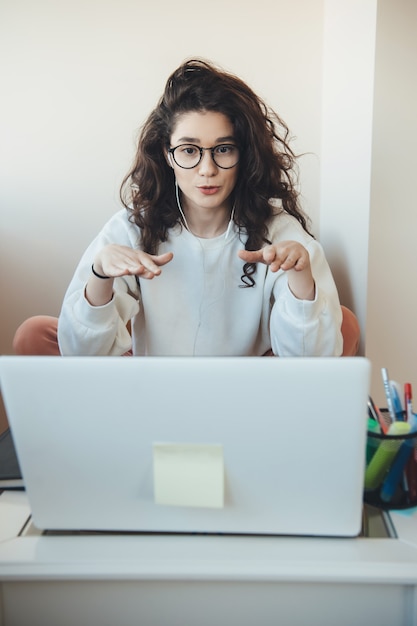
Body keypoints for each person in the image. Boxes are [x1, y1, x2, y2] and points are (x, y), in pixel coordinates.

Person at [13, 58, 344, 358]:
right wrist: (100, 276)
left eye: (224, 149)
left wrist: (302, 281)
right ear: (167, 153)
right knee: (34, 333)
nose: (207, 169)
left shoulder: (282, 234)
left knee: (348, 323)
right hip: (152, 396)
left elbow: (315, 361)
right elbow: (81, 354)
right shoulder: (131, 229)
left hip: (245, 398)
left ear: (245, 154)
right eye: (189, 150)